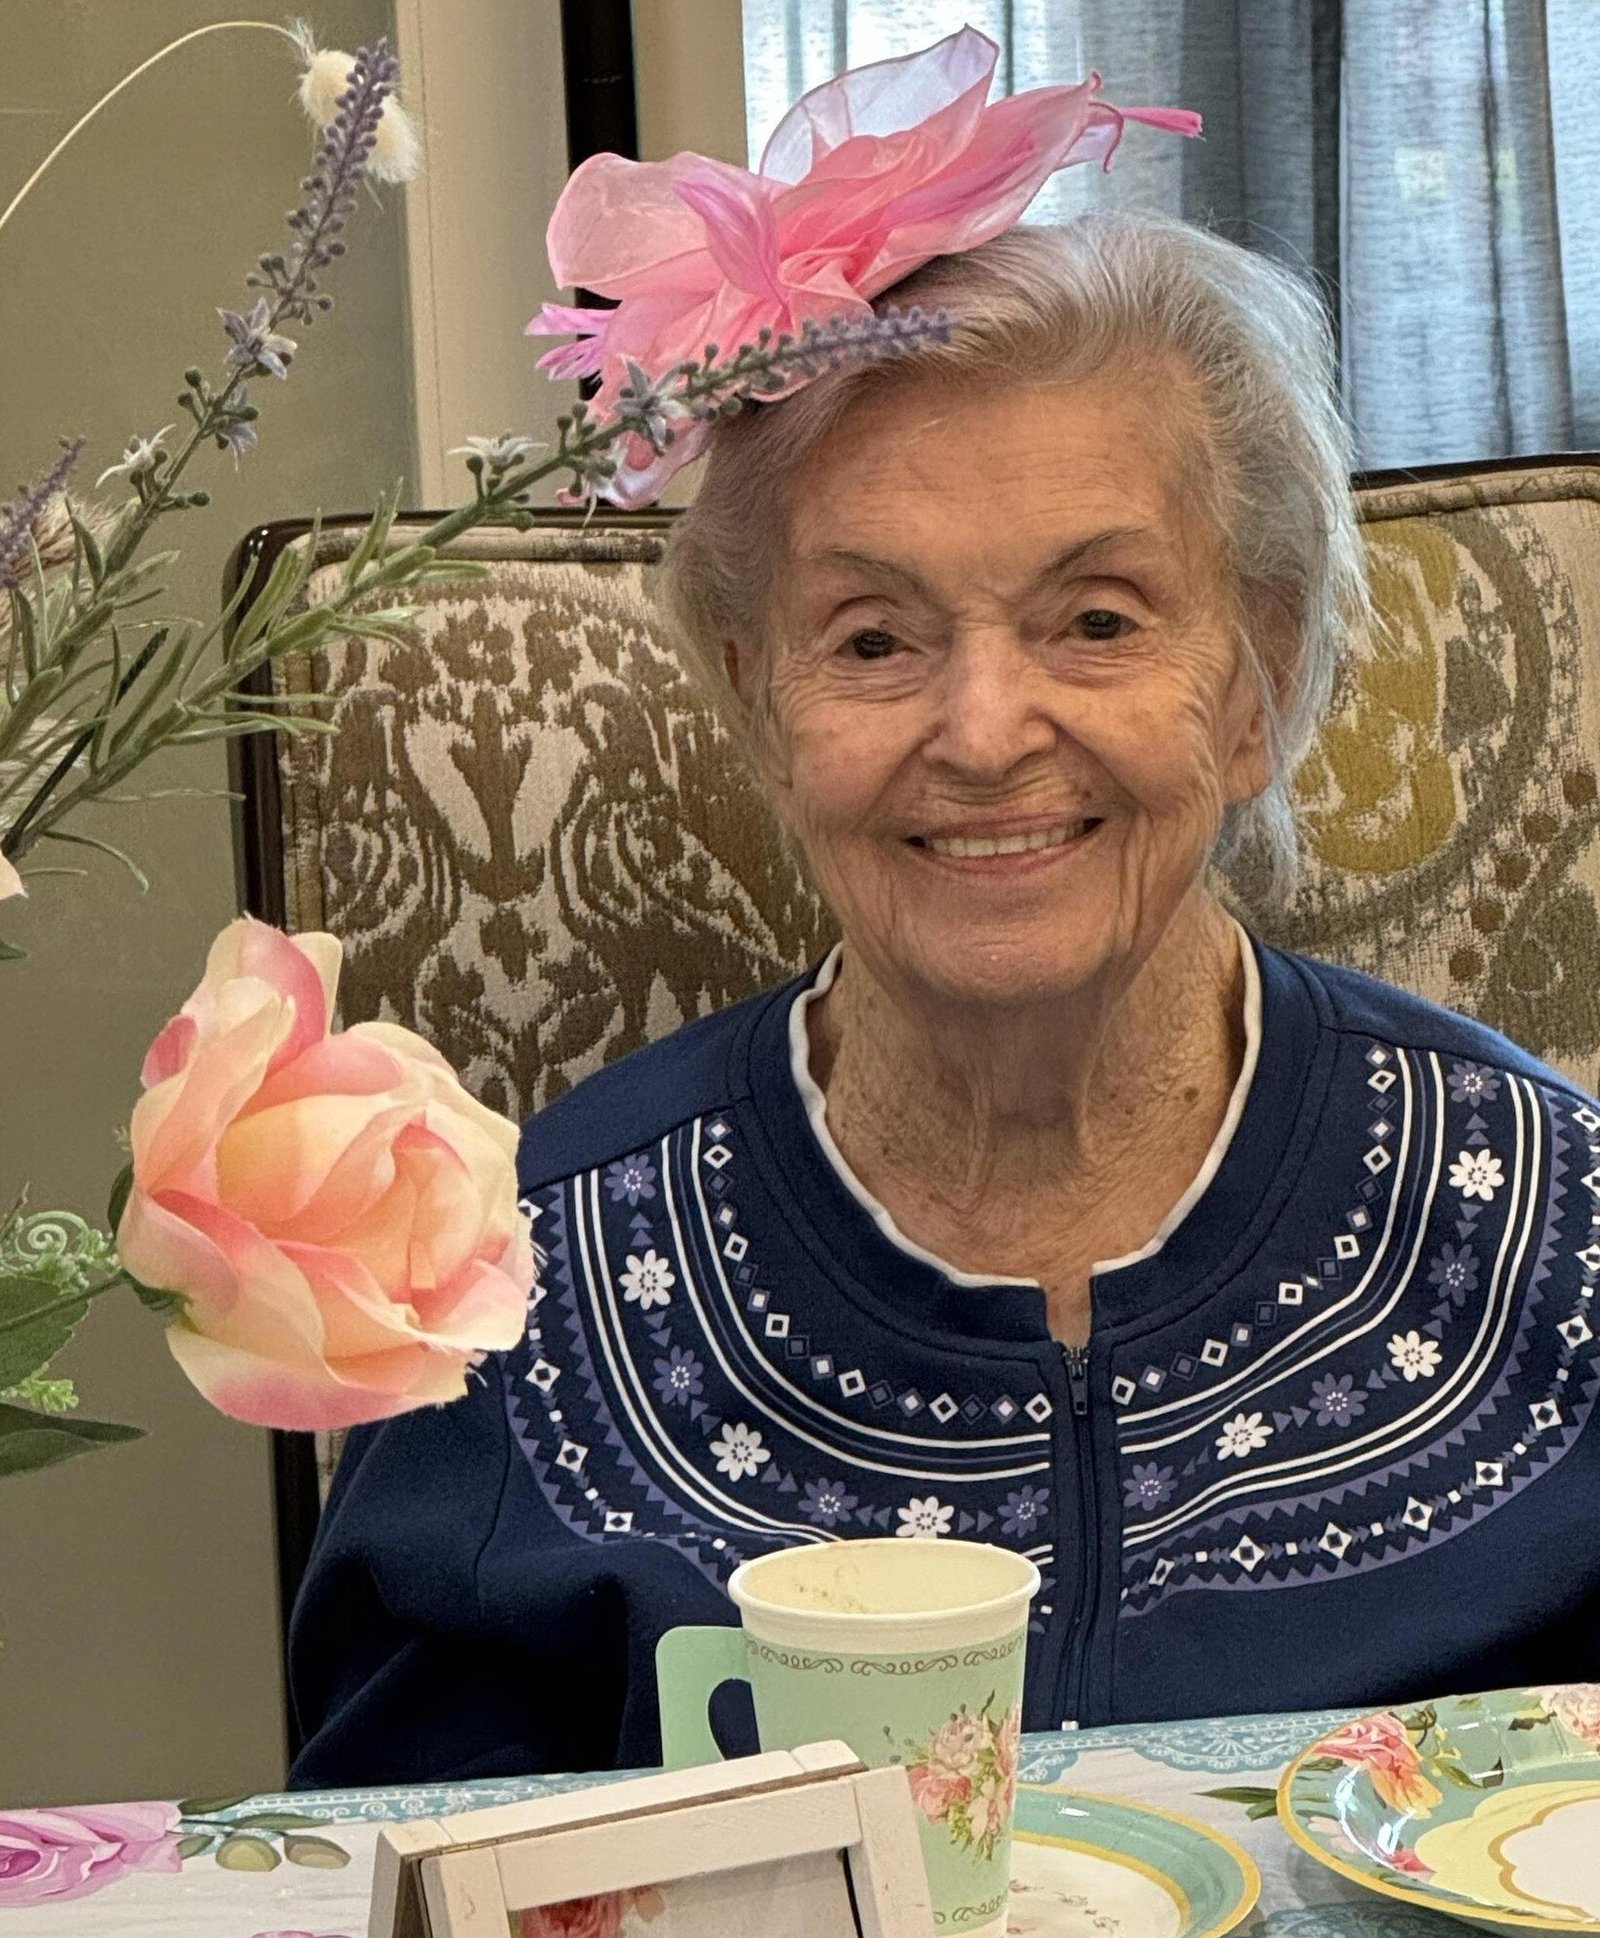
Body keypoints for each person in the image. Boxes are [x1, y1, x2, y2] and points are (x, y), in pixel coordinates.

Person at [288, 31, 1600, 1787]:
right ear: (760, 701)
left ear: (1257, 680)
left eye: (1101, 619)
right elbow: (399, 1914)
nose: (986, 733)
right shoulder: (513, 1302)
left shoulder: (1561, 1232)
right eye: (877, 640)